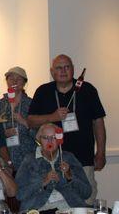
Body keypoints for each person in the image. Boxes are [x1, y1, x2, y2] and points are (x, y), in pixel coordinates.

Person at [27, 54, 106, 204]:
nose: (63, 71)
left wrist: (101, 152)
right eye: (58, 68)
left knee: (86, 202)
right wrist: (52, 117)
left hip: (83, 159)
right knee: (58, 205)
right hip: (51, 162)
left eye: (67, 67)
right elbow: (31, 121)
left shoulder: (88, 90)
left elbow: (98, 122)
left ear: (73, 69)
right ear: (52, 72)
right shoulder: (43, 91)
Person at [16, 123, 91, 213]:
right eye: (45, 138)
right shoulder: (29, 160)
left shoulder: (68, 158)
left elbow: (87, 192)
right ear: (39, 140)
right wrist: (43, 182)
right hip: (40, 211)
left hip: (69, 210)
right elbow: (19, 194)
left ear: (59, 140)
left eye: (54, 137)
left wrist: (70, 177)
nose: (50, 141)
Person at [0, 66, 36, 171]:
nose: (14, 81)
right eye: (11, 78)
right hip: (3, 161)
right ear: (6, 81)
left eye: (19, 78)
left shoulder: (32, 104)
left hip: (28, 161)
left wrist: (25, 123)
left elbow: (39, 135)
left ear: (24, 82)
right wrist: (4, 134)